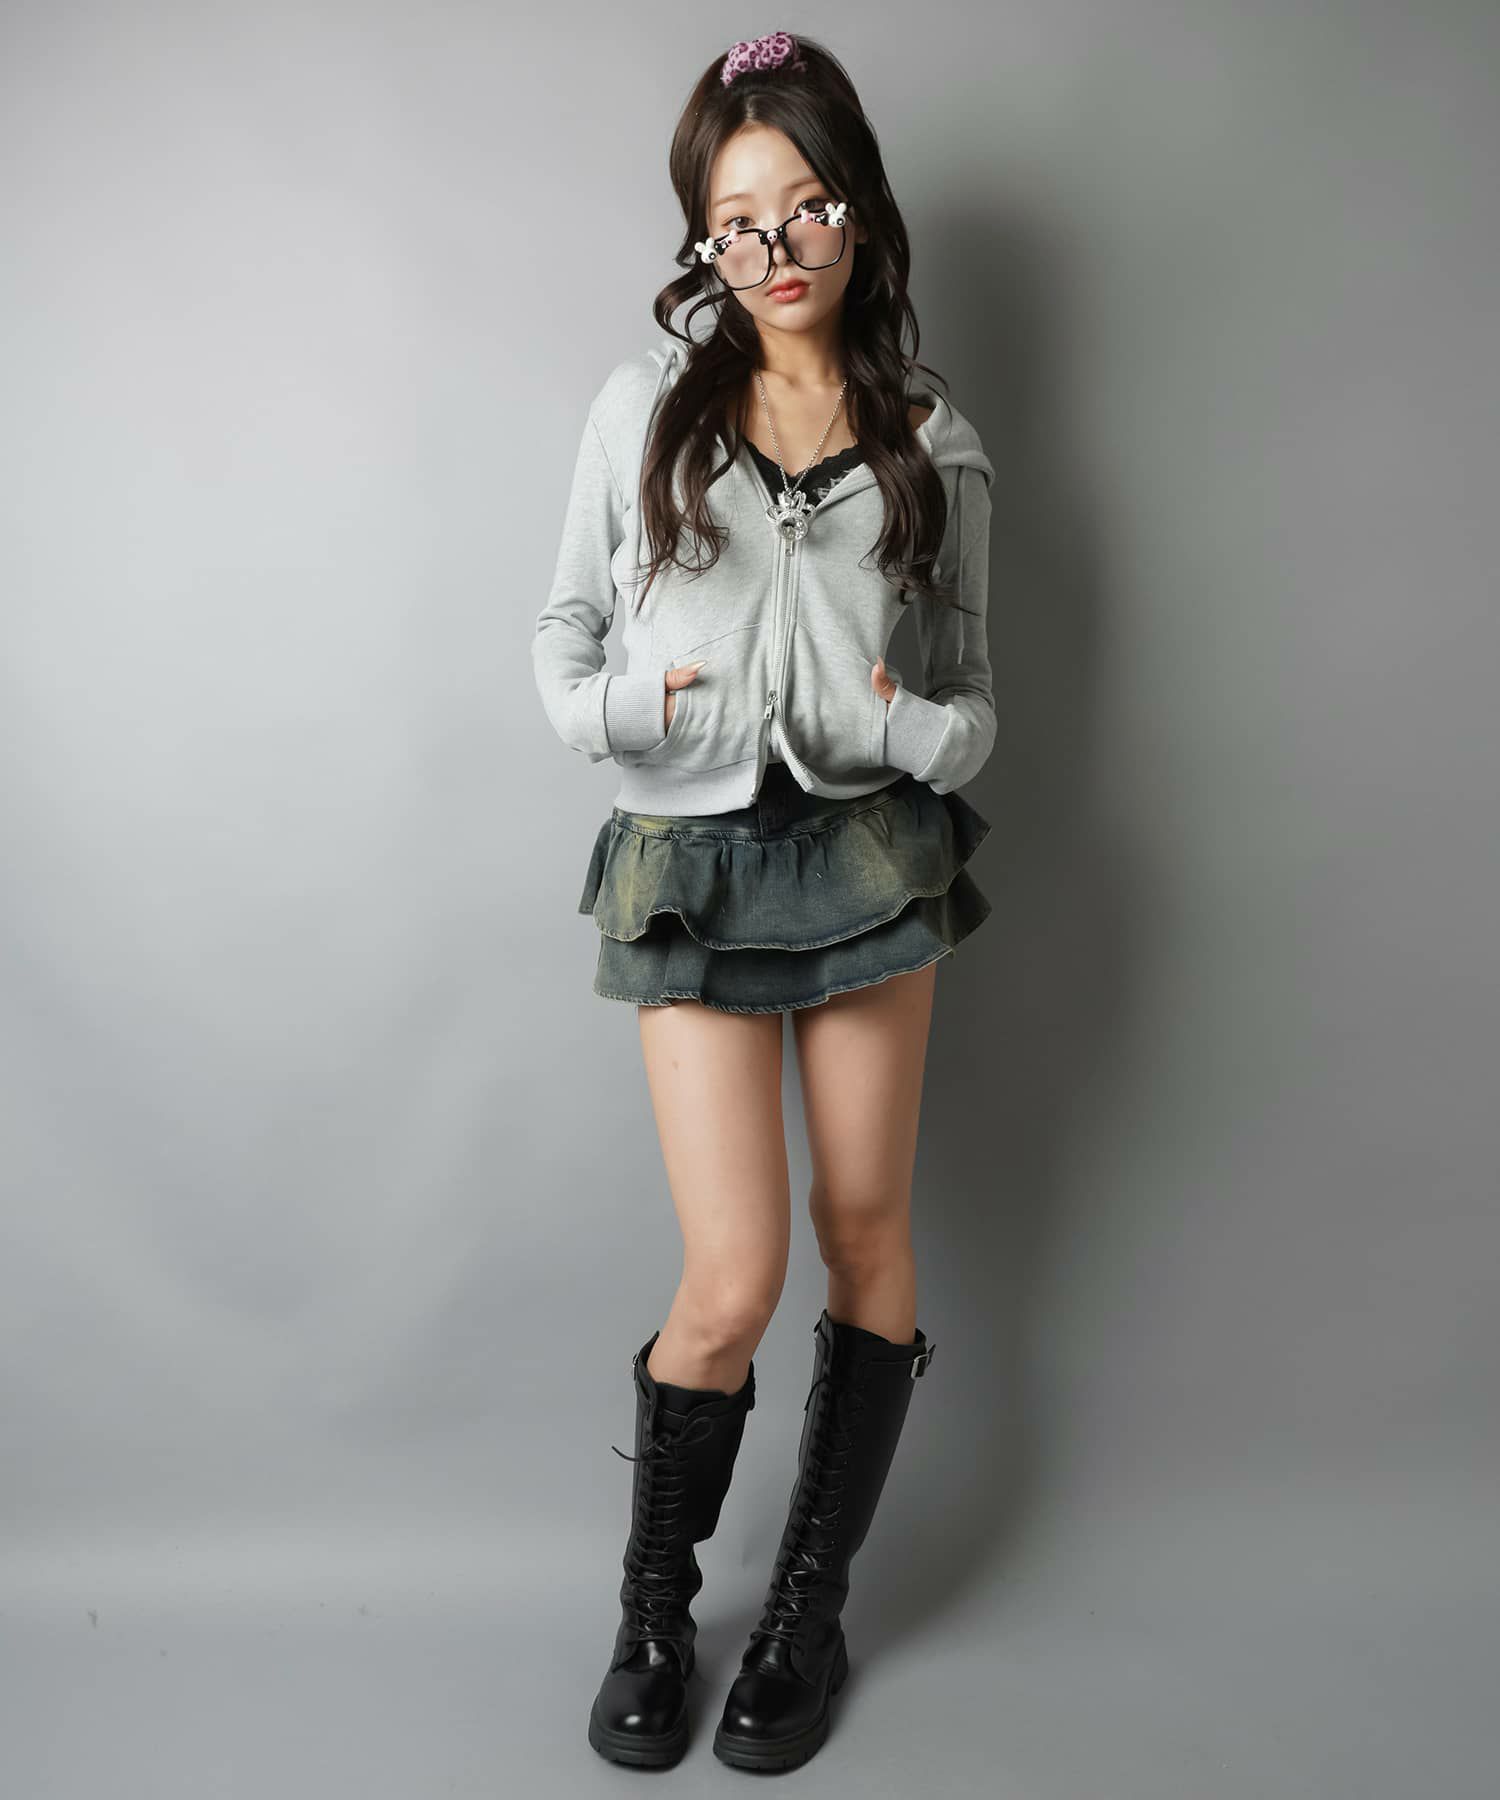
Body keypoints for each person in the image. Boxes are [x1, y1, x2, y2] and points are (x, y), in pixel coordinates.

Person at [531, 29, 996, 1775]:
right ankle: (655, 1613)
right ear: (702, 241)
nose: (775, 248)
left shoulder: (933, 437)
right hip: (694, 864)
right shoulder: (641, 409)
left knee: (867, 1232)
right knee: (729, 1276)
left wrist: (909, 731)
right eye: (737, 220)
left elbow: (976, 699)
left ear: (856, 213)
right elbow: (562, 636)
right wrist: (624, 718)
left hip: (871, 854)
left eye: (805, 207)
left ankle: (808, 1611)